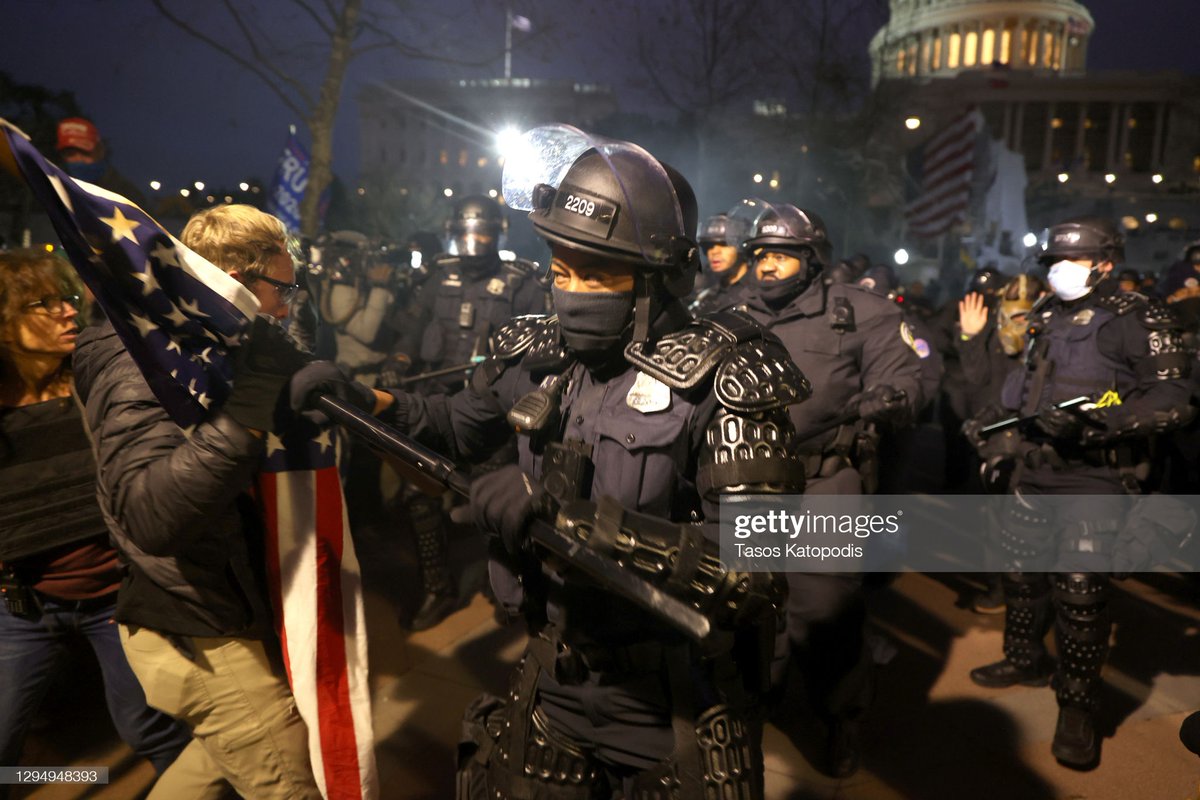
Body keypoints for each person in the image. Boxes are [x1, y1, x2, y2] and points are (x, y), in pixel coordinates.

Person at [302, 127, 805, 797]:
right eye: (561, 270)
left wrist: (574, 522)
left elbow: (758, 575)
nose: (571, 292)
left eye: (596, 272)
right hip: (552, 676)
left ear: (655, 276)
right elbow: (454, 424)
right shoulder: (540, 353)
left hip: (674, 702)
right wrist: (368, 399)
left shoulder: (727, 376)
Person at [72, 204, 328, 798]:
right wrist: (255, 403)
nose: (289, 306)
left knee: (203, 776)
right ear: (235, 281)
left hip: (215, 605)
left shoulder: (204, 343)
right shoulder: (141, 358)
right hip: (198, 624)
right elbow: (149, 515)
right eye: (283, 289)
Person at [963, 216, 1194, 769]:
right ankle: (1023, 658)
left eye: (1071, 261)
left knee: (1080, 595)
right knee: (1022, 574)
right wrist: (995, 426)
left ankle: (1078, 707)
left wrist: (1099, 420)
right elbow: (1028, 388)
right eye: (1052, 263)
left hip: (1095, 474)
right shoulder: (1046, 314)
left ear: (1106, 264)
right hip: (1036, 467)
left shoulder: (1141, 316)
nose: (1058, 271)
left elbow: (1172, 397)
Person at [736, 202, 924, 777]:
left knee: (826, 609)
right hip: (745, 480)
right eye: (761, 255)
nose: (767, 266)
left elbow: (909, 377)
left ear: (812, 260)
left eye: (782, 256)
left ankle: (841, 714)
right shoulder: (729, 311)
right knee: (746, 605)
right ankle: (752, 705)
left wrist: (888, 398)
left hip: (824, 478)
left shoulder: (861, 313)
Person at [0, 250, 192, 793]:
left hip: (115, 598)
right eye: (43, 303)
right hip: (25, 604)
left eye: (67, 297)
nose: (66, 311)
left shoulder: (94, 378)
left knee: (147, 725)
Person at [389, 194, 548, 631]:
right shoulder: (437, 278)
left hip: (493, 415)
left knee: (493, 503)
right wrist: (399, 361)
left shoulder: (523, 282)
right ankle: (438, 589)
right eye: (465, 233)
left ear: (498, 232)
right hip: (436, 405)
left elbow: (539, 351)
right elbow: (412, 329)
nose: (473, 241)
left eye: (482, 232)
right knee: (418, 499)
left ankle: (508, 587)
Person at [54, 117, 147, 208]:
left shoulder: (127, 195)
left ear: (100, 151)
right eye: (70, 154)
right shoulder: (52, 190)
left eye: (85, 152)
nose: (79, 159)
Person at [689, 209, 754, 314]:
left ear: (742, 246)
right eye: (708, 246)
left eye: (724, 244)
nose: (714, 252)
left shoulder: (760, 292)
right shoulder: (707, 294)